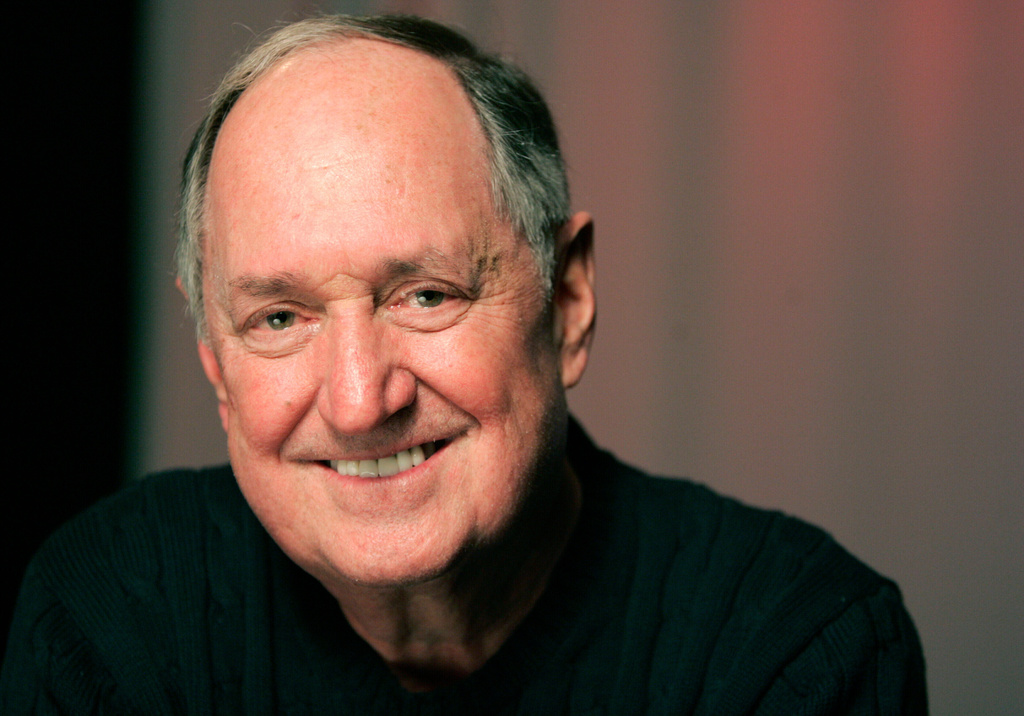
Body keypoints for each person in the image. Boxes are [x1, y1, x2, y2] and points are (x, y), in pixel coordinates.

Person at [1, 14, 926, 714]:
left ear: (566, 304)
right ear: (217, 372)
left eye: (426, 294)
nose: (362, 402)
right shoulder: (112, 619)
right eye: (280, 317)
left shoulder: (795, 646)